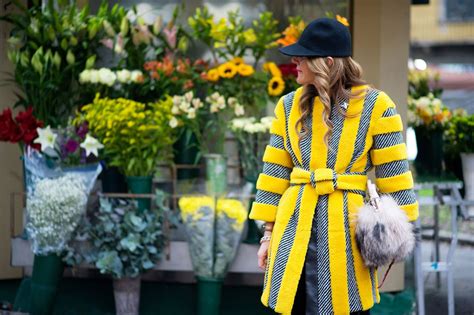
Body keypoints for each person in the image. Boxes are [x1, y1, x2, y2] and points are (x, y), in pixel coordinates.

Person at [249, 17, 419, 315]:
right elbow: (273, 174)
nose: (295, 62)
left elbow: (396, 178)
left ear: (327, 62)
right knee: (293, 306)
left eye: (303, 56)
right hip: (293, 230)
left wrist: (396, 238)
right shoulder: (287, 106)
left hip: (348, 234)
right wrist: (267, 235)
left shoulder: (377, 106)